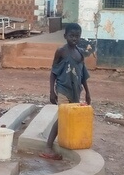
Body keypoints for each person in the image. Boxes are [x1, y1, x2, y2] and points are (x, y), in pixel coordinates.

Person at [39, 22, 91, 160]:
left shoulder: (80, 53)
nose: (74, 38)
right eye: (71, 36)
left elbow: (83, 75)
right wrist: (51, 91)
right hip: (62, 89)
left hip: (76, 91)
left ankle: (69, 142)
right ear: (65, 36)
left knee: (72, 117)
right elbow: (53, 73)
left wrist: (87, 92)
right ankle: (48, 147)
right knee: (62, 117)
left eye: (77, 36)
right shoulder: (61, 51)